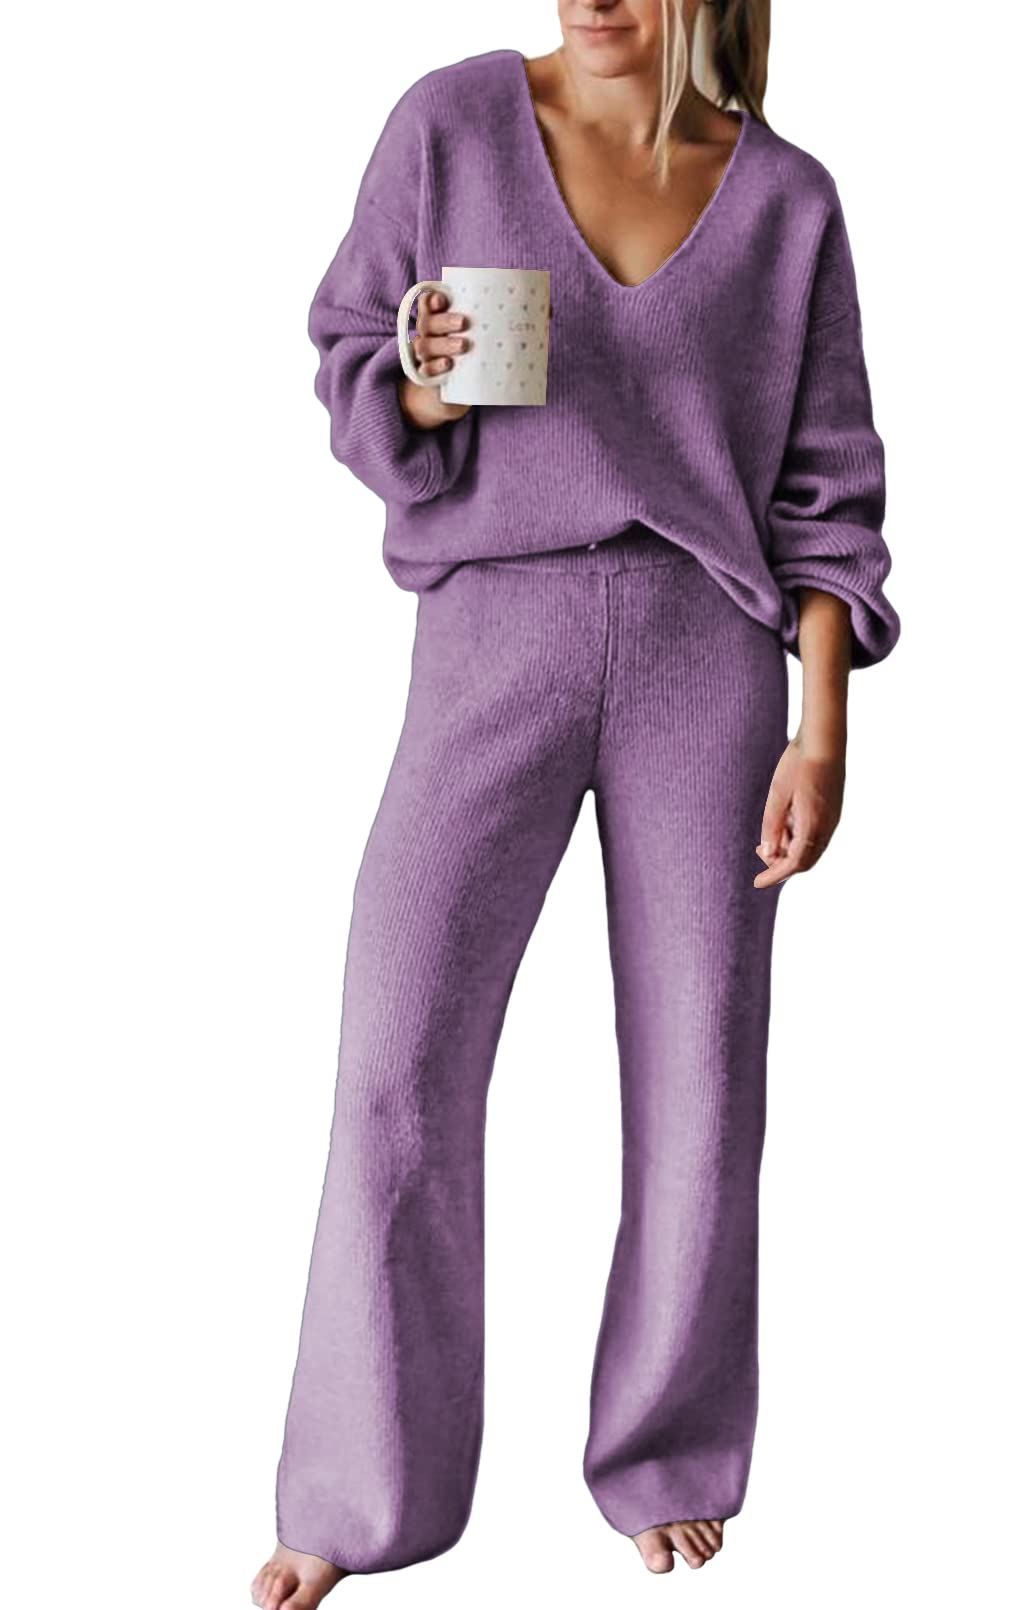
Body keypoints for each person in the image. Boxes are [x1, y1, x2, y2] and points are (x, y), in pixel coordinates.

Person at [252, 2, 900, 1603]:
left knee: (701, 1078)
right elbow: (349, 350)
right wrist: (421, 385)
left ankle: (665, 1458)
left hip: (708, 656)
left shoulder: (788, 201)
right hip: (494, 626)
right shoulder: (451, 124)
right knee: (398, 1052)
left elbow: (827, 488)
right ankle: (357, 1491)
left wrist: (822, 732)